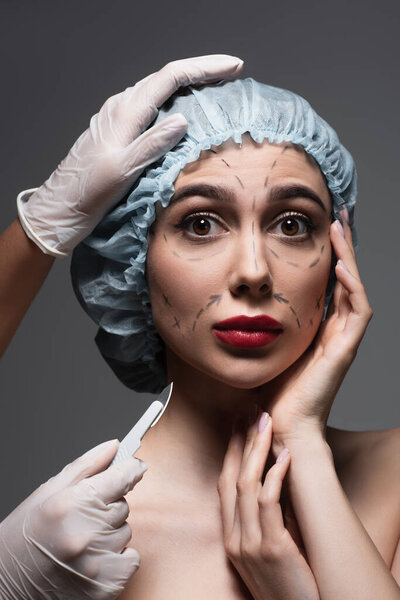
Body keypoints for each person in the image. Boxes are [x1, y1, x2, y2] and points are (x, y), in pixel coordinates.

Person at [0, 54, 399, 599]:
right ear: (135, 258)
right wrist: (39, 226)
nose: (254, 272)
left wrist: (302, 440)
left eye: (291, 224)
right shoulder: (79, 548)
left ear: (337, 256)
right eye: (201, 223)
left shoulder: (394, 478)